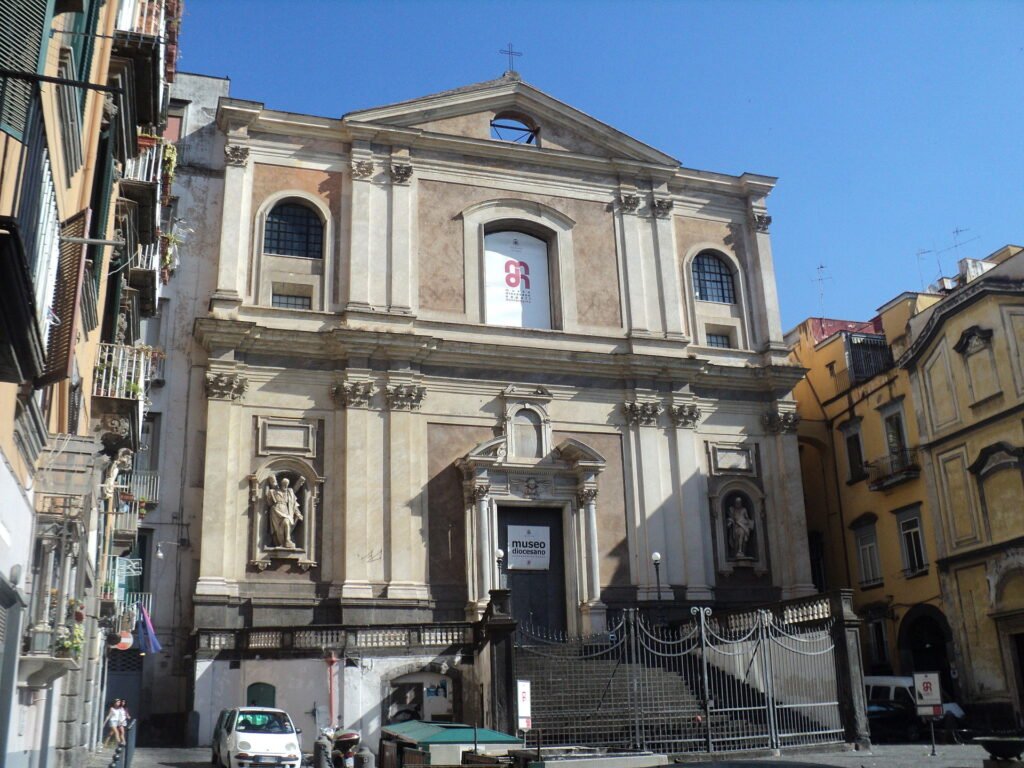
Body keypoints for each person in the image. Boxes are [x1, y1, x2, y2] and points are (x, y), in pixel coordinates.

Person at [265, 474, 305, 548]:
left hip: (286, 510)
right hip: (276, 510)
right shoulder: (273, 492)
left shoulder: (289, 492)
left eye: (286, 484)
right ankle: (283, 541)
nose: (285, 486)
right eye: (284, 484)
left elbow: (293, 503)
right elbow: (269, 503)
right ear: (281, 484)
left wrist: (298, 513)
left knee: (286, 521)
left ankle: (287, 540)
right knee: (278, 527)